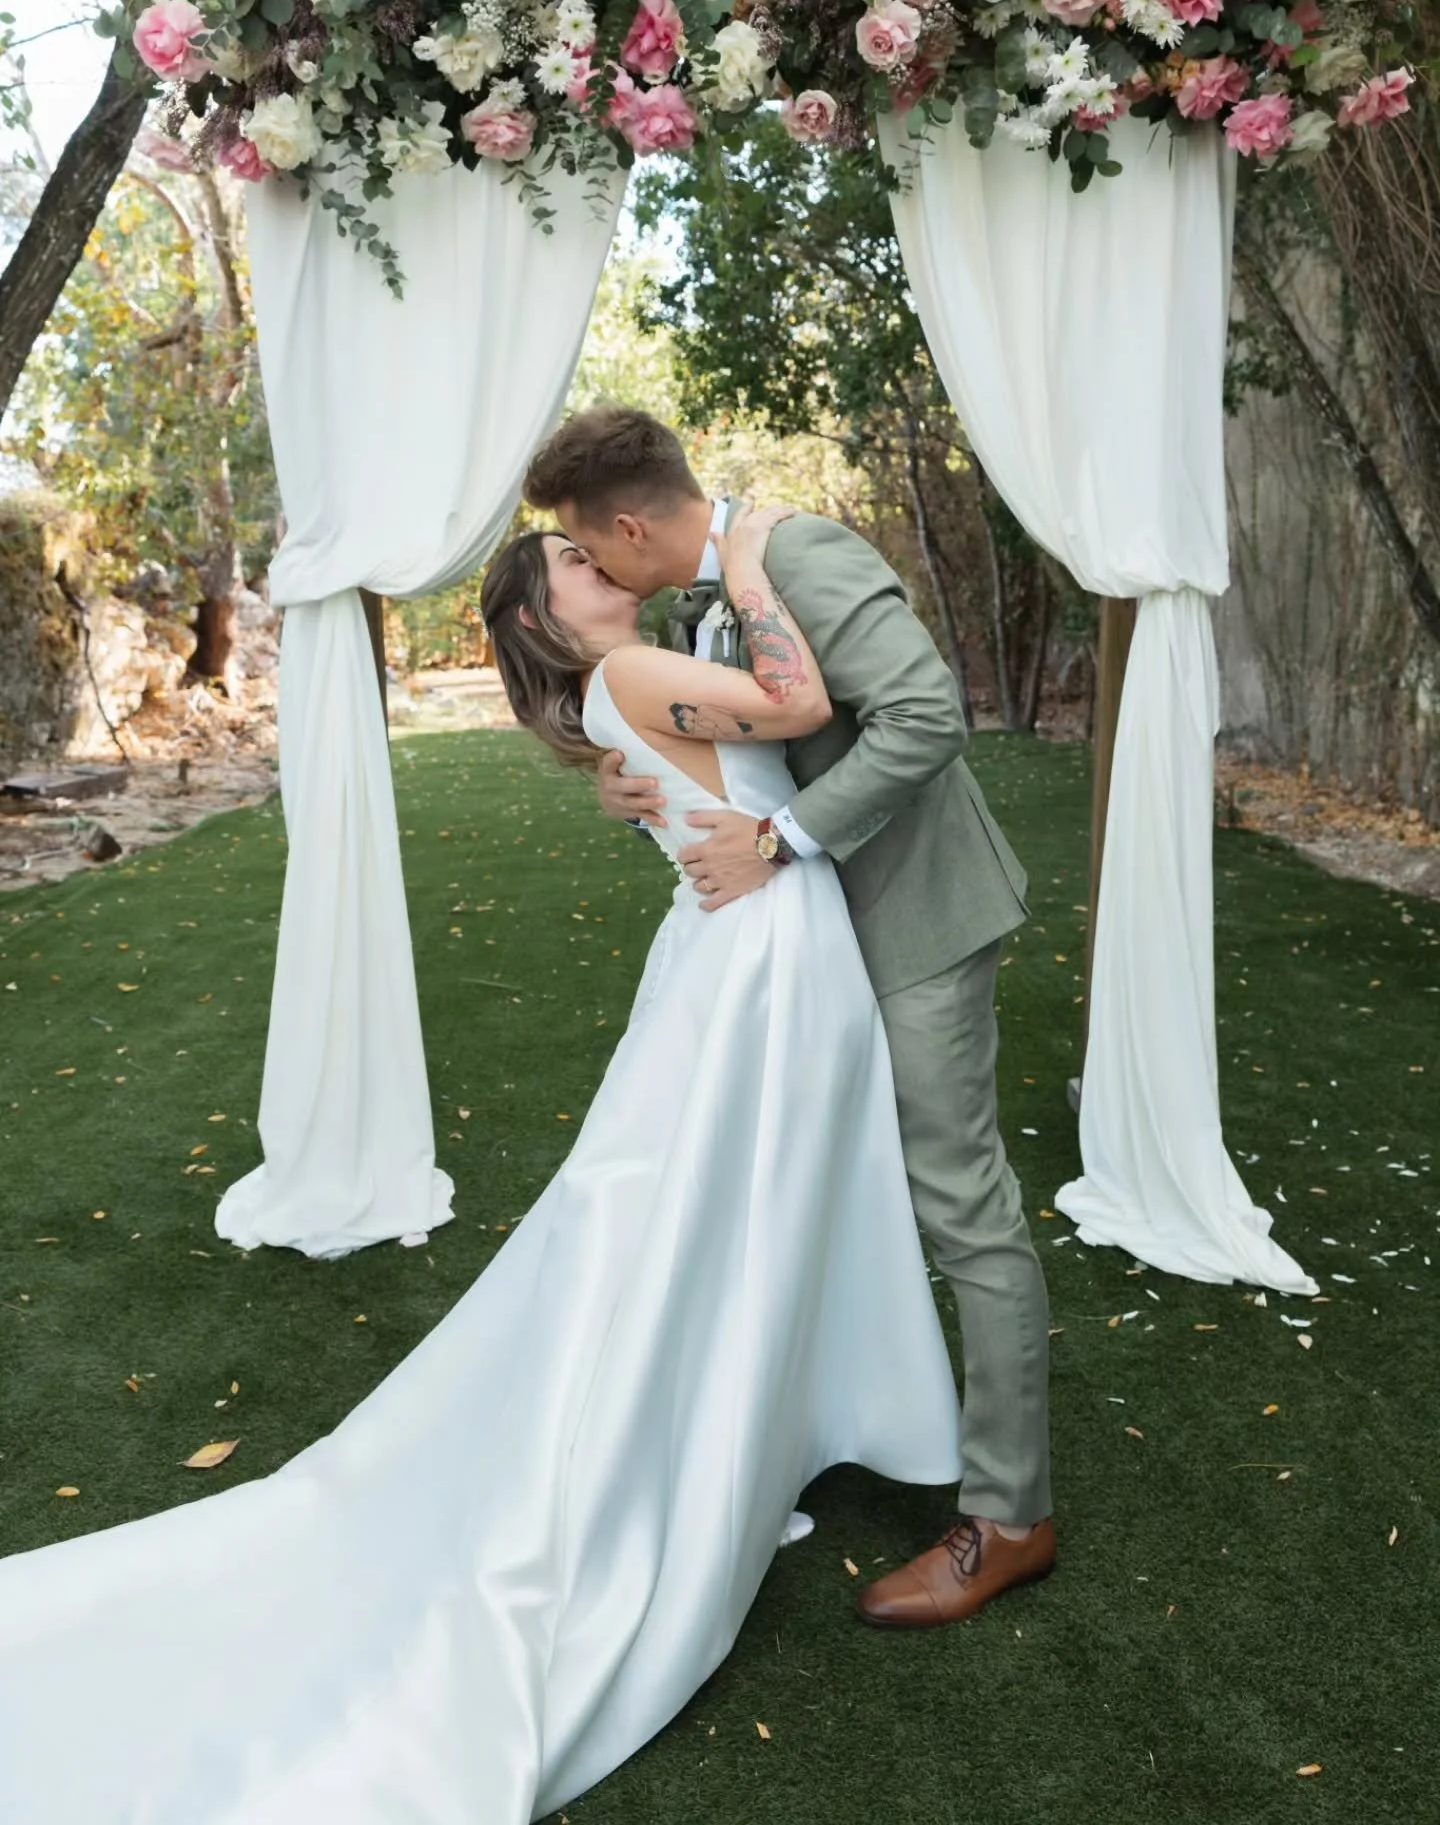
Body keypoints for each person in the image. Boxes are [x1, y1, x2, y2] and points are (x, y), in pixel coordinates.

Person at [0, 506, 963, 1825]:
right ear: (537, 622)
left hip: (752, 956)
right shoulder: (630, 672)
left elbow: (703, 770)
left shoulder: (633, 677)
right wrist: (745, 569)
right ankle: (679, 1455)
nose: (599, 561)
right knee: (704, 1211)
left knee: (715, 1211)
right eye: (571, 563)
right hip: (757, 968)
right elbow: (792, 709)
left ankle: (734, 1427)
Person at [523, 406, 1055, 1630]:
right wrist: (633, 775)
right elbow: (724, 728)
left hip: (912, 916)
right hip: (812, 942)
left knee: (961, 1202)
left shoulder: (799, 554)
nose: (593, 572)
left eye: (590, 551)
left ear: (629, 526)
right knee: (802, 1183)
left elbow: (927, 717)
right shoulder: (696, 605)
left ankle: (1012, 1517)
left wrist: (777, 837)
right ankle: (814, 1419)